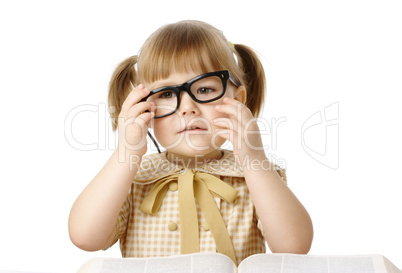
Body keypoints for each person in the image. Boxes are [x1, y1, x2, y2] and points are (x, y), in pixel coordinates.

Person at [68, 20, 313, 265]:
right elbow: (85, 237)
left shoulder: (254, 175)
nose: (187, 108)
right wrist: (125, 153)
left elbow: (293, 247)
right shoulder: (133, 178)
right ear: (144, 109)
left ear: (238, 101)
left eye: (205, 89)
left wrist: (254, 160)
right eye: (166, 94)